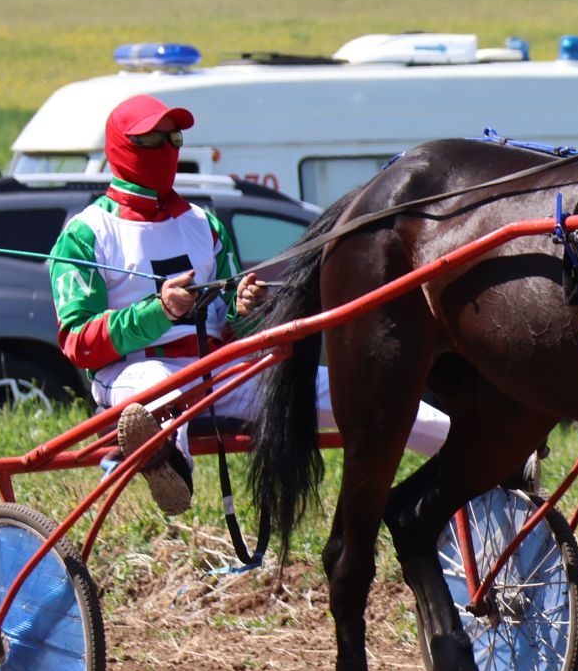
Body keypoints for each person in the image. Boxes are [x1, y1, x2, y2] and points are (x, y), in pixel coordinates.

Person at [48, 93, 449, 514]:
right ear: (122, 146)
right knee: (155, 391)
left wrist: (244, 309)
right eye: (153, 139)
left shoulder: (204, 224)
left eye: (175, 138)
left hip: (216, 370)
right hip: (133, 370)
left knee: (352, 390)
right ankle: (169, 469)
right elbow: (79, 340)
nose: (167, 148)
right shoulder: (86, 233)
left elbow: (232, 328)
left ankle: (463, 443)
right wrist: (159, 311)